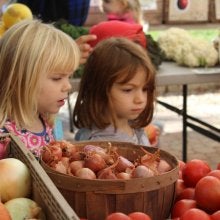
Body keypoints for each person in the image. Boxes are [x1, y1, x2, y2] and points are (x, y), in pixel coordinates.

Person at [0, 19, 81, 159]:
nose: (68, 86)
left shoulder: (53, 121)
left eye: (69, 76)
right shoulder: (4, 138)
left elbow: (61, 153)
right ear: (19, 80)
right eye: (57, 78)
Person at [73, 37, 157, 146]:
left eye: (145, 89)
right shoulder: (99, 146)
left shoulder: (133, 127)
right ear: (98, 89)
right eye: (128, 90)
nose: (140, 99)